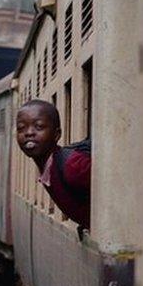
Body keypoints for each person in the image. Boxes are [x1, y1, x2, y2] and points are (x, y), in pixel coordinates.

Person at [15, 99, 91, 234]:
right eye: (21, 128)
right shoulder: (49, 167)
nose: (29, 133)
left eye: (39, 127)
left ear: (57, 135)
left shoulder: (73, 166)